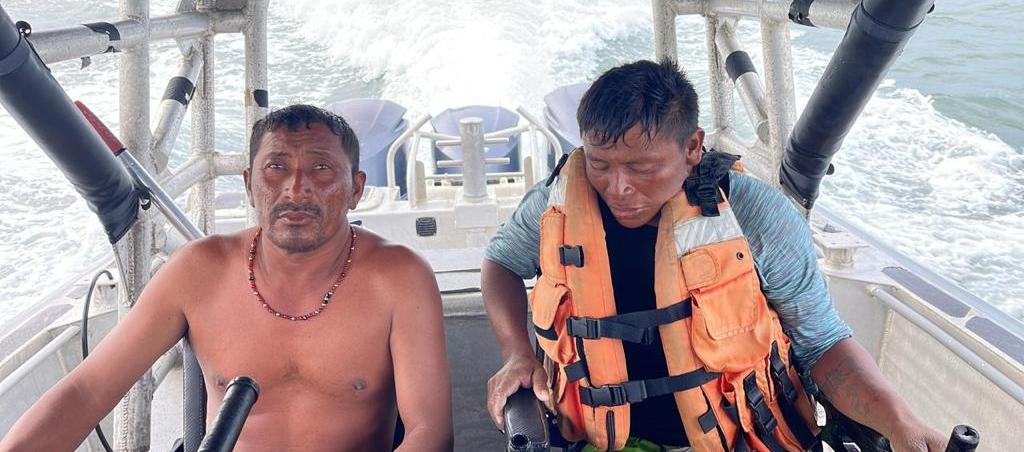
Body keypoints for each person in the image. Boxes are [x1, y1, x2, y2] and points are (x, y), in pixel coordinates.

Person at [483, 60, 946, 451]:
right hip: (600, 438)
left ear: (692, 147)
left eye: (641, 168)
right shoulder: (558, 205)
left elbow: (824, 343)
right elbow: (500, 262)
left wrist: (899, 423)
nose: (618, 188)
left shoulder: (758, 217)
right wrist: (516, 353)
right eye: (600, 165)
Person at [1, 104, 453, 452]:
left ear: (355, 188)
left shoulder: (399, 277)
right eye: (276, 168)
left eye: (321, 169)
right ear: (249, 184)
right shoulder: (199, 271)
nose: (296, 188)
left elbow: (429, 431)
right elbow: (87, 390)